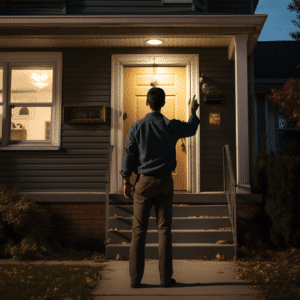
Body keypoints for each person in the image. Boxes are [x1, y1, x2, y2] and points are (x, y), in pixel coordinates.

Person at [120, 87, 200, 289]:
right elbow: (191, 129)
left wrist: (125, 181)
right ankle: (165, 279)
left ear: (147, 103)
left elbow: (129, 154)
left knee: (139, 231)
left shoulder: (136, 127)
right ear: (163, 103)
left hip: (143, 183)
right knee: (164, 230)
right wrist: (193, 112)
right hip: (165, 182)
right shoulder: (170, 126)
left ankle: (135, 279)